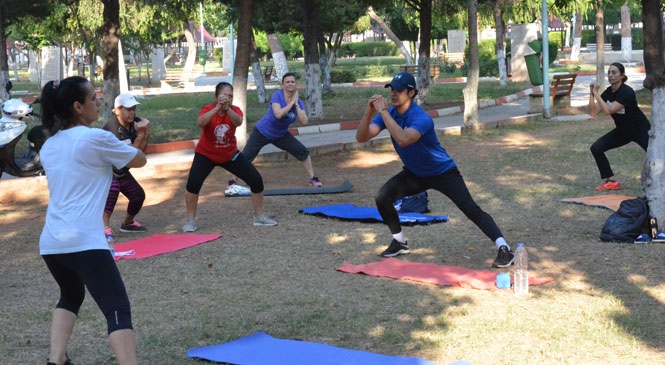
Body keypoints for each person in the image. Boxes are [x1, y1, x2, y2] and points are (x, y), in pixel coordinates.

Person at [355, 72, 514, 268]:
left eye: (399, 90)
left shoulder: (420, 117)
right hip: (415, 173)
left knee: (470, 209)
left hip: (442, 172)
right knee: (383, 196)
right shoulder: (391, 115)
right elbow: (362, 138)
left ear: (411, 92)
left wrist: (384, 113)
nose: (394, 94)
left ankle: (504, 248)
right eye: (392, 90)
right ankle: (399, 242)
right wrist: (368, 113)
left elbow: (404, 139)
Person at [39, 76, 145, 365]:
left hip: (52, 242)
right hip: (85, 240)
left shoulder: (49, 146)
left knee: (71, 295)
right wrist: (141, 136)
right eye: (93, 98)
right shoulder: (94, 137)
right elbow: (138, 160)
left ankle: (56, 359)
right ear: (77, 106)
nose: (99, 102)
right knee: (117, 309)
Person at [183, 81, 277, 232]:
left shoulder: (235, 110)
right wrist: (217, 108)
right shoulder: (207, 109)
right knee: (193, 185)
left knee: (256, 180)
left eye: (230, 96)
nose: (227, 98)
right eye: (224, 95)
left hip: (229, 153)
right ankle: (190, 221)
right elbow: (201, 123)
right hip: (205, 154)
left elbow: (238, 122)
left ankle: (259, 217)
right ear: (216, 96)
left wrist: (226, 109)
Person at [239, 72, 323, 188]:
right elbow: (278, 114)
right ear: (282, 85)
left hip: (280, 135)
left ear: (296, 84)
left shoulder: (298, 102)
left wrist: (297, 104)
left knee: (302, 152)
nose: (290, 84)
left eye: (292, 82)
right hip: (263, 131)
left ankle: (312, 178)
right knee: (246, 157)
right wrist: (291, 103)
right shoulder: (277, 96)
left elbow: (304, 121)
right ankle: (232, 182)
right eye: (287, 82)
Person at [589, 62, 650, 191]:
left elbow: (607, 111)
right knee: (596, 148)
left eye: (614, 72)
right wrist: (592, 93)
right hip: (623, 131)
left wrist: (597, 94)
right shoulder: (608, 92)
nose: (610, 75)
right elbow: (593, 112)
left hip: (640, 129)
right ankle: (610, 181)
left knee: (656, 154)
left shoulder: (627, 92)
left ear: (622, 76)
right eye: (609, 72)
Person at [102, 93, 150, 242]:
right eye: (128, 109)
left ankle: (128, 223)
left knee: (138, 196)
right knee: (113, 190)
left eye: (134, 109)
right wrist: (141, 135)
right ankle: (104, 229)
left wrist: (145, 133)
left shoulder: (134, 123)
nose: (132, 113)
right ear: (117, 110)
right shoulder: (113, 129)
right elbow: (130, 158)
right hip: (105, 170)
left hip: (120, 169)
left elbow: (142, 151)